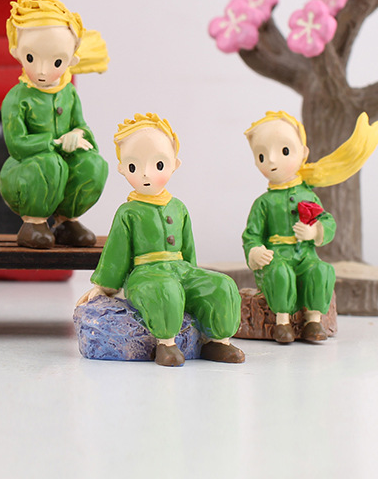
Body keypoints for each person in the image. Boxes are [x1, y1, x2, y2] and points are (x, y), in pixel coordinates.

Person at [80, 113, 244, 367]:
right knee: (165, 290)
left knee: (222, 285)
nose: (146, 174)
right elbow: (116, 252)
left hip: (180, 269)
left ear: (174, 164)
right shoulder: (128, 212)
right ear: (122, 168)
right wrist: (105, 286)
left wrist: (193, 278)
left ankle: (217, 341)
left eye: (158, 165)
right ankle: (166, 343)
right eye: (134, 167)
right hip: (146, 274)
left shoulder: (178, 208)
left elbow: (188, 250)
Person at [243, 110, 378, 343]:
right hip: (277, 256)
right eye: (262, 156)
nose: (272, 161)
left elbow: (326, 219)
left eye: (284, 151)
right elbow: (252, 235)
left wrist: (315, 231)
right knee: (280, 273)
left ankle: (313, 320)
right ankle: (282, 322)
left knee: (321, 270)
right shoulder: (263, 203)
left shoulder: (308, 195)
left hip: (305, 256)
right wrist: (255, 251)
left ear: (303, 153)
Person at [0, 0, 109, 249]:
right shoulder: (17, 98)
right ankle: (34, 222)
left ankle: (66, 221)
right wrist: (55, 142)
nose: (41, 70)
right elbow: (17, 144)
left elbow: (81, 124)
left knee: (93, 164)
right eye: (31, 58)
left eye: (56, 61)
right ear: (17, 53)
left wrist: (78, 135)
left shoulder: (68, 92)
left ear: (71, 61)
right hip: (26, 173)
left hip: (61, 167)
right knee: (50, 163)